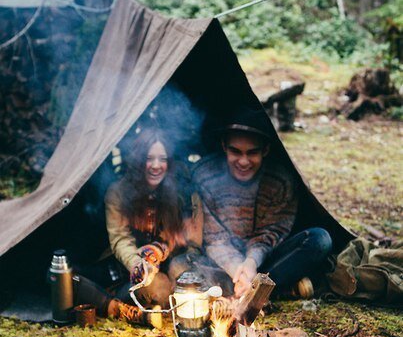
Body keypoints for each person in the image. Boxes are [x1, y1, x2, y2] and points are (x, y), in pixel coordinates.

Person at [72, 129, 202, 324]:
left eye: (162, 159)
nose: (156, 166)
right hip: (127, 268)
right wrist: (136, 265)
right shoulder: (118, 192)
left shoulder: (177, 191)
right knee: (67, 278)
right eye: (149, 159)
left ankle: (134, 307)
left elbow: (180, 237)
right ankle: (121, 308)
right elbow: (120, 239)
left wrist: (159, 253)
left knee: (167, 290)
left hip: (168, 265)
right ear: (139, 161)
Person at [192, 123, 332, 298]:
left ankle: (253, 290)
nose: (243, 161)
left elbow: (271, 234)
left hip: (264, 262)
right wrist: (237, 270)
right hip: (223, 264)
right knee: (186, 265)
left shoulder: (279, 180)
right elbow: (214, 240)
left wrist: (251, 263)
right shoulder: (204, 176)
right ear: (224, 147)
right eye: (235, 151)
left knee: (319, 240)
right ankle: (276, 291)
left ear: (265, 150)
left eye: (252, 153)